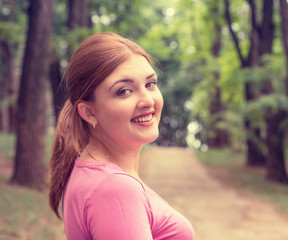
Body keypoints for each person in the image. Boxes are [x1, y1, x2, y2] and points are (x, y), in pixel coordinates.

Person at [48, 32, 195, 240]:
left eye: (150, 84)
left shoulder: (90, 172)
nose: (147, 101)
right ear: (89, 112)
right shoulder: (114, 189)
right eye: (124, 91)